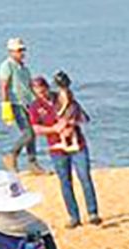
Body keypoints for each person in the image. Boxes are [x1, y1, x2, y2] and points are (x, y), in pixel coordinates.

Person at [43, 72, 101, 227]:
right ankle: (74, 217)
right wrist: (59, 127)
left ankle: (92, 213)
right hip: (60, 148)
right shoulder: (49, 102)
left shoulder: (68, 99)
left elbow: (82, 117)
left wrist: (71, 123)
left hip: (76, 146)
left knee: (84, 178)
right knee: (66, 182)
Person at [0, 37, 42, 174]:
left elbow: (29, 87)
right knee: (28, 133)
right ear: (11, 52)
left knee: (33, 134)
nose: (21, 53)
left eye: (22, 50)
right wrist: (6, 106)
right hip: (15, 104)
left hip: (28, 103)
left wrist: (39, 102)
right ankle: (11, 155)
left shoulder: (24, 68)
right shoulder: (6, 66)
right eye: (18, 50)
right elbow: (4, 87)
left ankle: (32, 163)